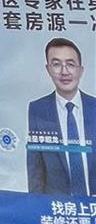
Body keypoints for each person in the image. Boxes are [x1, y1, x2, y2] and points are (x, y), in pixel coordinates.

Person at [26, 40, 93, 196]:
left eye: (70, 64)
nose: (64, 71)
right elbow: (35, 167)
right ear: (48, 69)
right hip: (57, 206)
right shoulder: (38, 109)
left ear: (81, 70)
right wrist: (36, 205)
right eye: (56, 64)